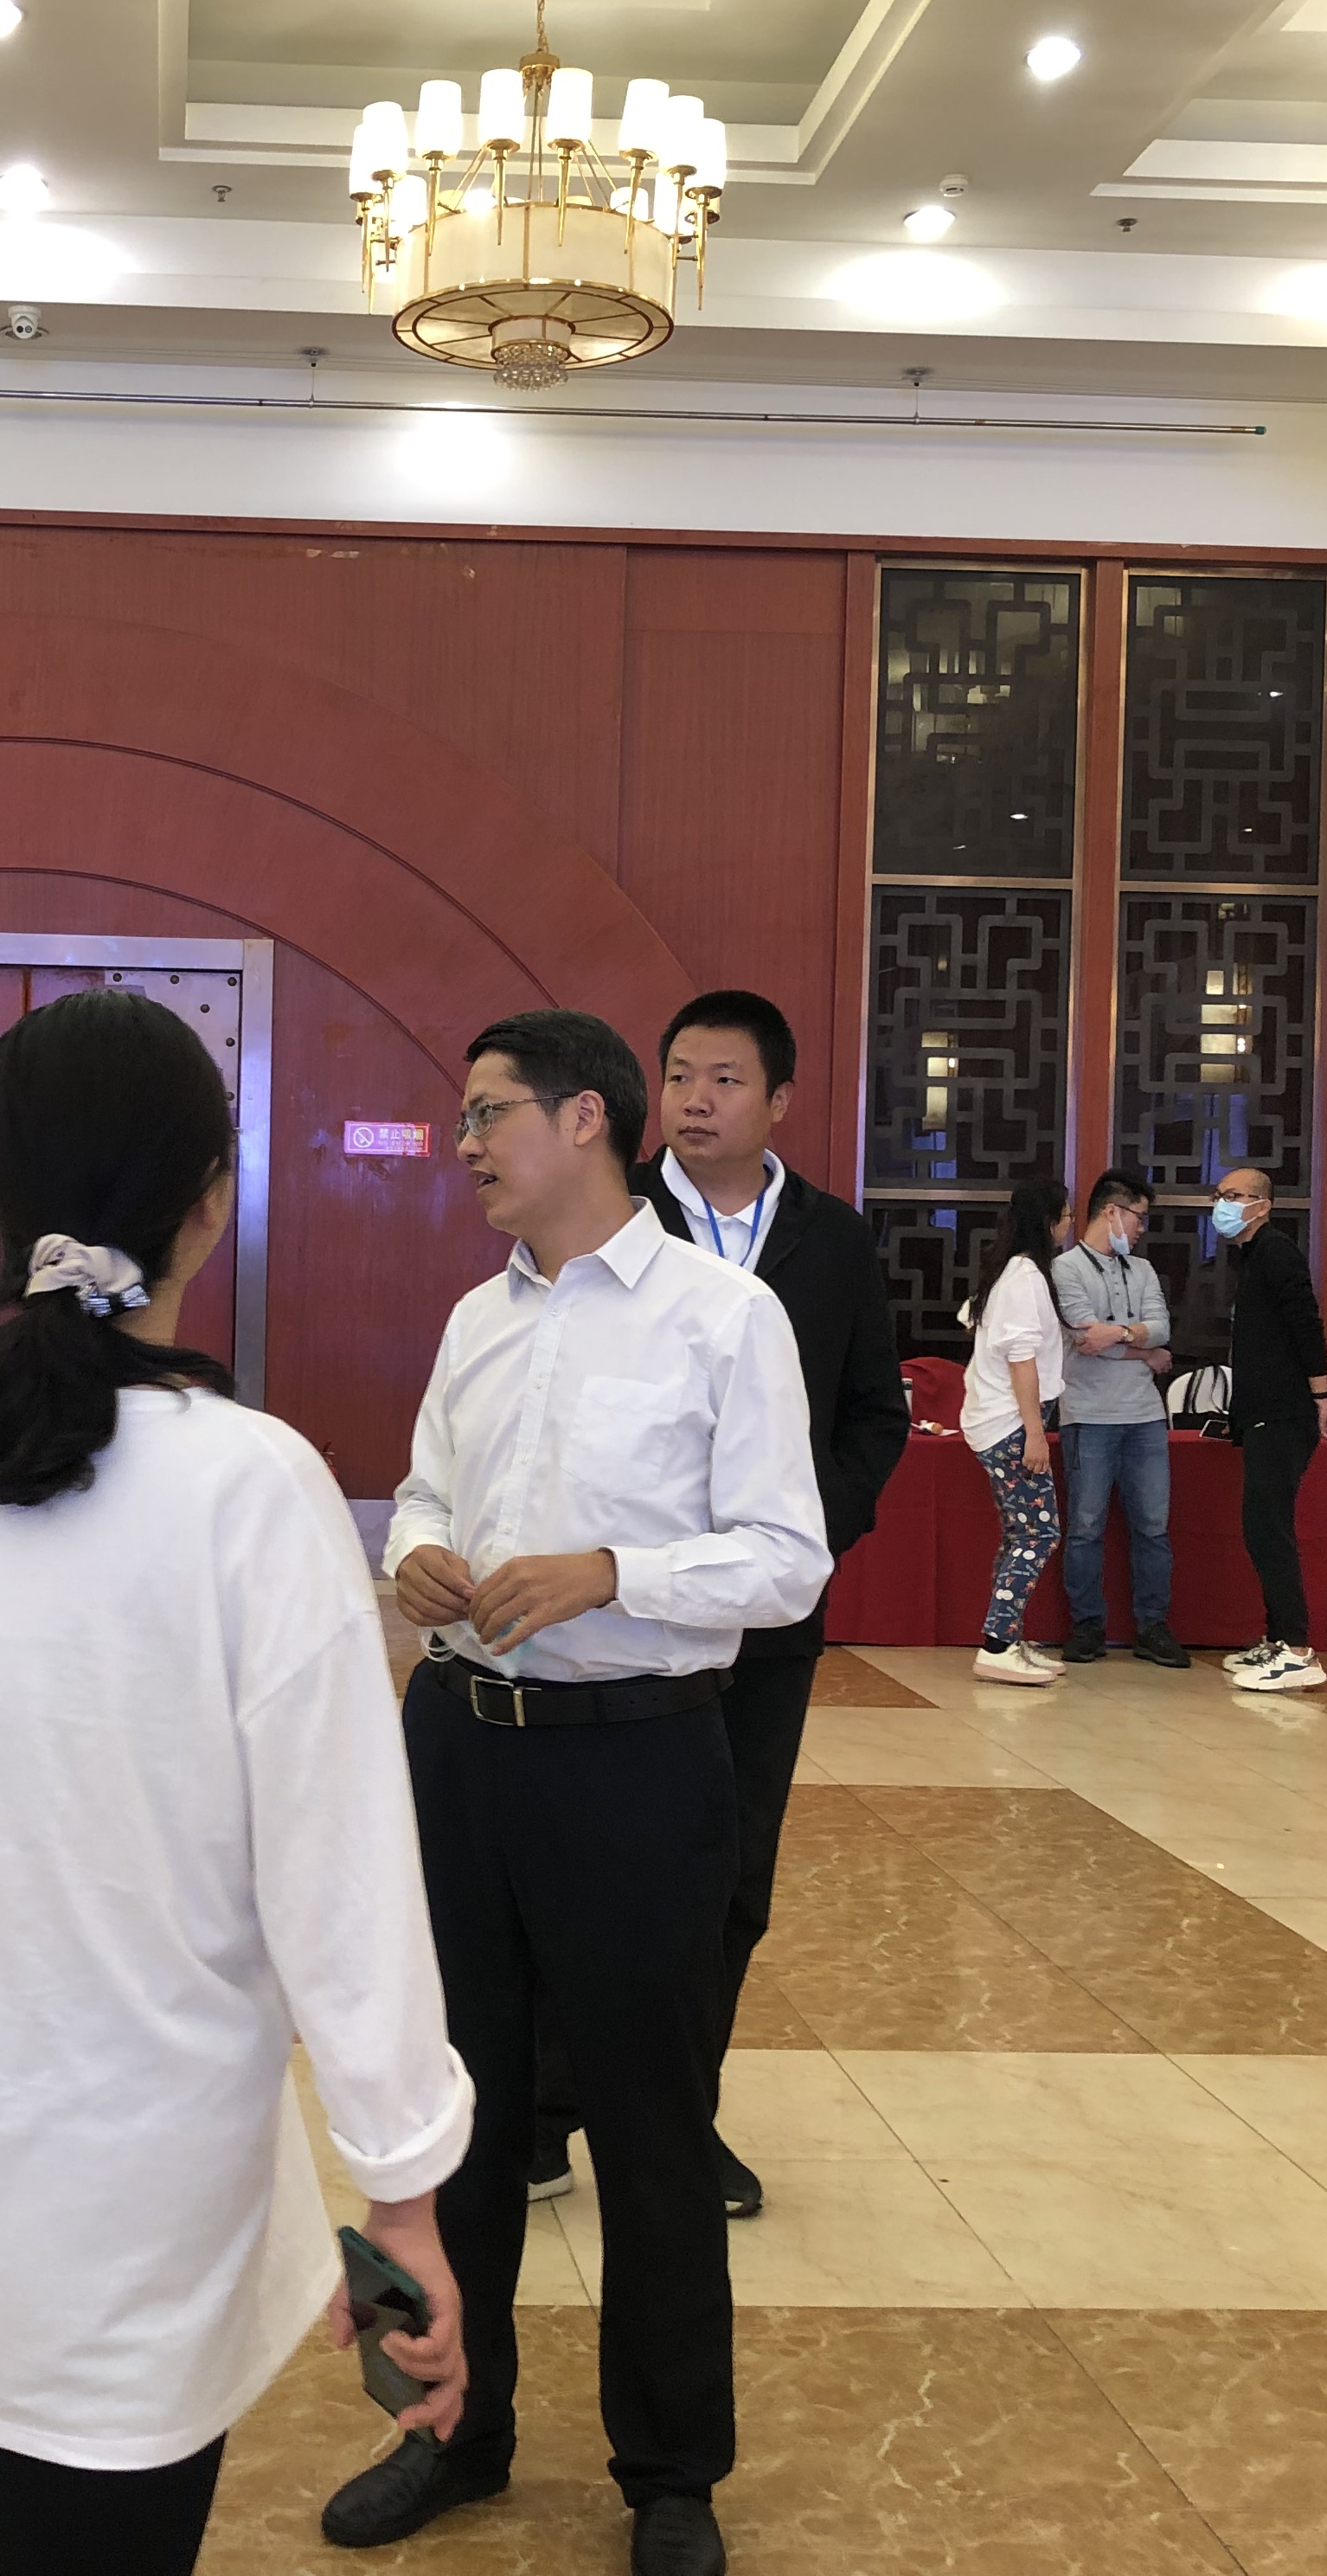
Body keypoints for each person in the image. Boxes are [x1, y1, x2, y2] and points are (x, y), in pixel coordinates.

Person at [0, 985, 475, 2576]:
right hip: (124, 2208)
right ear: (210, 1204)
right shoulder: (255, 1484)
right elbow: (342, 1879)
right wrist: (404, 2192)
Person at [330, 1009, 827, 2576]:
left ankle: (671, 2470)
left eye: (491, 1114)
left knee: (650, 2126)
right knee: (451, 2118)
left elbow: (787, 1558)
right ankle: (448, 2428)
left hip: (637, 1758)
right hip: (462, 1747)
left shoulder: (724, 1317)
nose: (467, 1144)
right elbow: (427, 1485)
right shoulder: (473, 1318)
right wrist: (418, 1550)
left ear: (589, 1119)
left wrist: (615, 1571)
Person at [632, 989, 906, 2223]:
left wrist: (801, 1533)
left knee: (732, 1876)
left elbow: (873, 1414)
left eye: (725, 1079)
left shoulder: (832, 1241)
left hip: (772, 1619)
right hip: (626, 1608)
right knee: (608, 1868)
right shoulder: (610, 1217)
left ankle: (679, 2122)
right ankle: (544, 2108)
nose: (695, 1100)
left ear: (780, 1100)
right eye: (680, 1076)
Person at [1048, 1169, 1187, 1670]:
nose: (1141, 1228)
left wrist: (1122, 1334)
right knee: (1085, 1528)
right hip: (1087, 1416)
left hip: (1145, 1416)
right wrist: (1144, 1350)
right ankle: (1087, 1626)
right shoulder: (1063, 1269)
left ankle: (1153, 1626)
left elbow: (1162, 1328)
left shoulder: (1142, 1270)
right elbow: (1082, 1340)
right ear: (1112, 1212)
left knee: (1153, 1527)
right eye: (1139, 1217)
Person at [1214, 1164, 1327, 1694]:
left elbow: (1306, 1322)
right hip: (1261, 1412)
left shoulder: (1277, 1251)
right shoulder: (1251, 1256)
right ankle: (1277, 1636)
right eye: (1219, 1195)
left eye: (1234, 1195)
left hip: (1285, 1412)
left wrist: (1321, 1393)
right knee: (1259, 1527)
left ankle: (1298, 1649)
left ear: (1262, 1205)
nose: (1222, 1204)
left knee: (1270, 1530)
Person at [963, 1180, 1073, 1688]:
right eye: (1066, 1217)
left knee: (1020, 1534)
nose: (1069, 1226)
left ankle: (1005, 1638)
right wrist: (1034, 1433)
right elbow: (1021, 1360)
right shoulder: (1025, 1276)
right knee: (1038, 1533)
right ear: (1048, 1223)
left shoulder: (1010, 1270)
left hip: (1002, 1420)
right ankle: (996, 1646)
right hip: (1011, 1424)